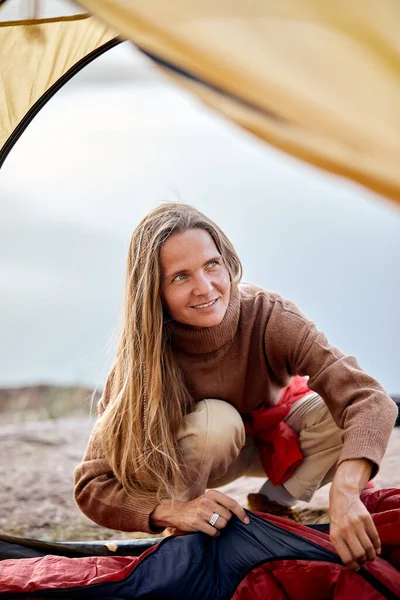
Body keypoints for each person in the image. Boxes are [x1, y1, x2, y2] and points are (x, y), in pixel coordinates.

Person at [74, 202, 397, 571]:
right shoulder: (142, 361)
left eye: (212, 264)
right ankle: (188, 528)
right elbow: (91, 484)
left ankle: (275, 500)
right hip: (196, 458)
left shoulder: (269, 315)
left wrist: (346, 490)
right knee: (217, 420)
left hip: (273, 444)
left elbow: (369, 398)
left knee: (334, 411)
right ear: (154, 291)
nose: (205, 287)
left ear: (227, 261)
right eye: (180, 277)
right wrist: (172, 511)